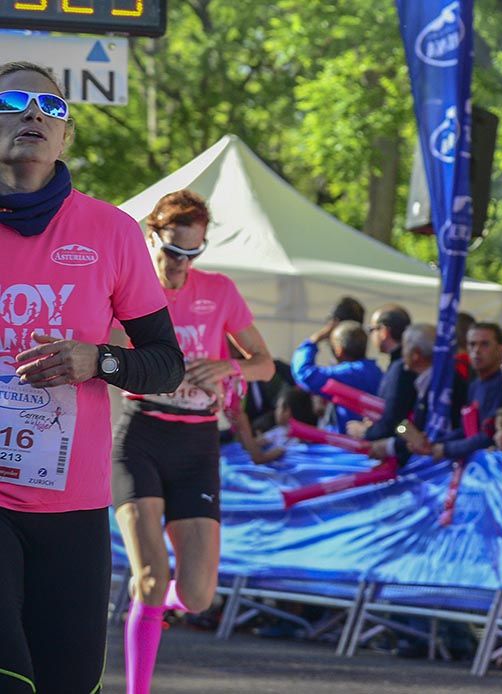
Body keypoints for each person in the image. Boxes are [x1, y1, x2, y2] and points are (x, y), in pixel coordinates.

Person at [0, 62, 183, 694]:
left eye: (50, 109)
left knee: (67, 682)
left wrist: (98, 359)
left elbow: (166, 362)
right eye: (14, 100)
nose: (33, 115)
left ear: (67, 138)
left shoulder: (111, 231)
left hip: (72, 507)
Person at [111, 189, 275, 694]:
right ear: (152, 237)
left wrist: (228, 365)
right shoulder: (128, 289)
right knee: (152, 577)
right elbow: (107, 360)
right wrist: (157, 367)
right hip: (142, 434)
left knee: (200, 595)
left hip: (199, 443)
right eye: (173, 251)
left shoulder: (219, 290)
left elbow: (264, 364)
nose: (181, 264)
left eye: (193, 253)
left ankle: (154, 606)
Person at [410, 323, 502, 461]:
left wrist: (446, 449)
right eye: (472, 344)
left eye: (485, 344)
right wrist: (435, 443)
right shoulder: (474, 386)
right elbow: (466, 430)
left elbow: (488, 436)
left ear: (500, 349)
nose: (476, 350)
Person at [367, 323, 467, 462]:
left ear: (416, 354)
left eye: (405, 347)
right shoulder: (424, 382)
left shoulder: (443, 386)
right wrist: (403, 431)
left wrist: (390, 445)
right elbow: (402, 426)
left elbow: (428, 438)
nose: (403, 353)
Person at [291, 319, 382, 432]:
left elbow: (304, 374)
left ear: (339, 350)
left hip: (352, 442)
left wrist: (313, 340)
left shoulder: (347, 373)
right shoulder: (376, 371)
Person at [348, 305, 417, 441]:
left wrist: (367, 432)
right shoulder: (400, 365)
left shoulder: (401, 368)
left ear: (384, 331)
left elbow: (397, 421)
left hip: (403, 451)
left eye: (371, 329)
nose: (370, 335)